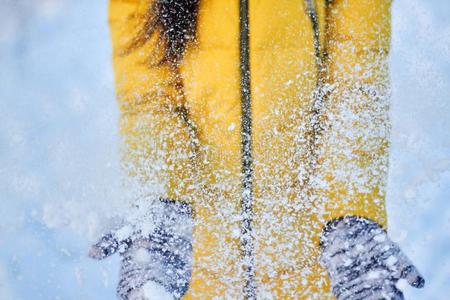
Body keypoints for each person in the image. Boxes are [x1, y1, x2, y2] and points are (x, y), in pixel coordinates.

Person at [89, 0, 425, 299]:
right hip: (199, 273)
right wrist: (160, 211)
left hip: (313, 271)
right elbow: (150, 101)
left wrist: (349, 217)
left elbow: (356, 88)